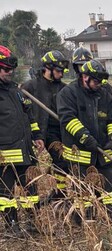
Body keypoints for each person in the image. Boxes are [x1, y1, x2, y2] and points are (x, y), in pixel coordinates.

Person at [57, 59, 112, 214]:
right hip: (80, 154)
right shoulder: (68, 93)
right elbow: (67, 119)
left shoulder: (105, 93)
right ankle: (85, 222)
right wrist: (86, 138)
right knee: (82, 193)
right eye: (96, 81)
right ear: (84, 77)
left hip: (103, 151)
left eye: (101, 81)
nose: (99, 84)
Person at [0, 45, 44, 232]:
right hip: (5, 152)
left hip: (25, 149)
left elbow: (29, 116)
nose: (10, 73)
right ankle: (12, 226)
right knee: (6, 193)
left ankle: (33, 224)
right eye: (6, 70)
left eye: (12, 70)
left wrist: (37, 136)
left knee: (31, 189)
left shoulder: (16, 91)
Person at [21, 50, 70, 185]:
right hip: (38, 130)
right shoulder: (30, 87)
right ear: (48, 69)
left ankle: (60, 192)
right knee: (30, 164)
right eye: (58, 71)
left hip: (58, 131)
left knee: (62, 162)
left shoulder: (64, 89)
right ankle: (30, 192)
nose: (61, 74)